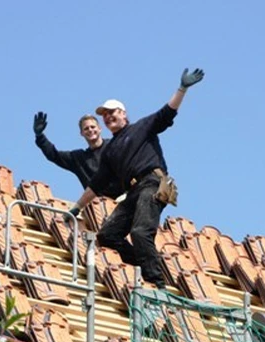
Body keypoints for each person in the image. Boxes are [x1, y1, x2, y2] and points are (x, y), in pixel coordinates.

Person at [66, 68, 205, 289]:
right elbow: (96, 184)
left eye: (113, 112)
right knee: (108, 236)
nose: (109, 117)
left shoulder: (141, 127)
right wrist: (76, 208)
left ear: (123, 113)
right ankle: (145, 265)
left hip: (152, 183)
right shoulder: (110, 152)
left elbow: (167, 112)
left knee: (140, 232)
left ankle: (157, 284)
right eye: (105, 115)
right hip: (133, 192)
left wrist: (182, 88)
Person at [33, 112, 123, 198]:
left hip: (123, 198)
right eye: (86, 128)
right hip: (99, 207)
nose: (90, 130)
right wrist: (40, 136)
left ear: (100, 129)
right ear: (81, 133)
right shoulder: (78, 158)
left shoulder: (113, 145)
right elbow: (54, 155)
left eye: (93, 127)